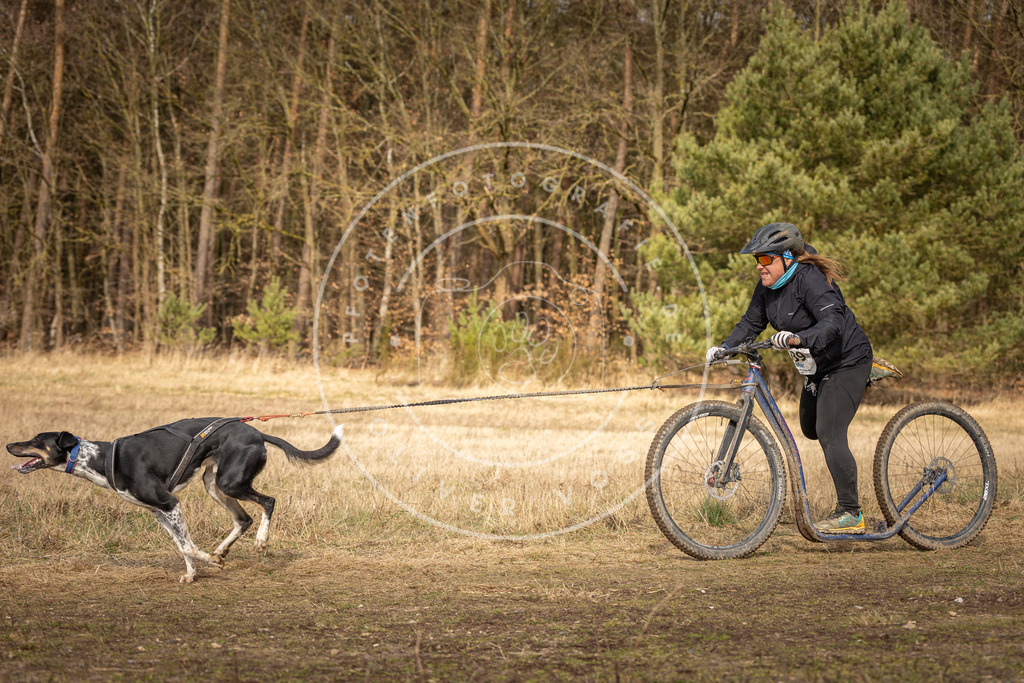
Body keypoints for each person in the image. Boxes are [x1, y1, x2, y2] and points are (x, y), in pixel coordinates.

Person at [705, 222, 873, 534]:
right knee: (810, 429)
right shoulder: (766, 288)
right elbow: (750, 323)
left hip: (847, 361)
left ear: (787, 258)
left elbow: (833, 322)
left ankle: (851, 513)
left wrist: (798, 338)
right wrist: (725, 347)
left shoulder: (810, 279)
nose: (759, 266)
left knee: (828, 431)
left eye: (765, 259)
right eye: (756, 260)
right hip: (816, 367)